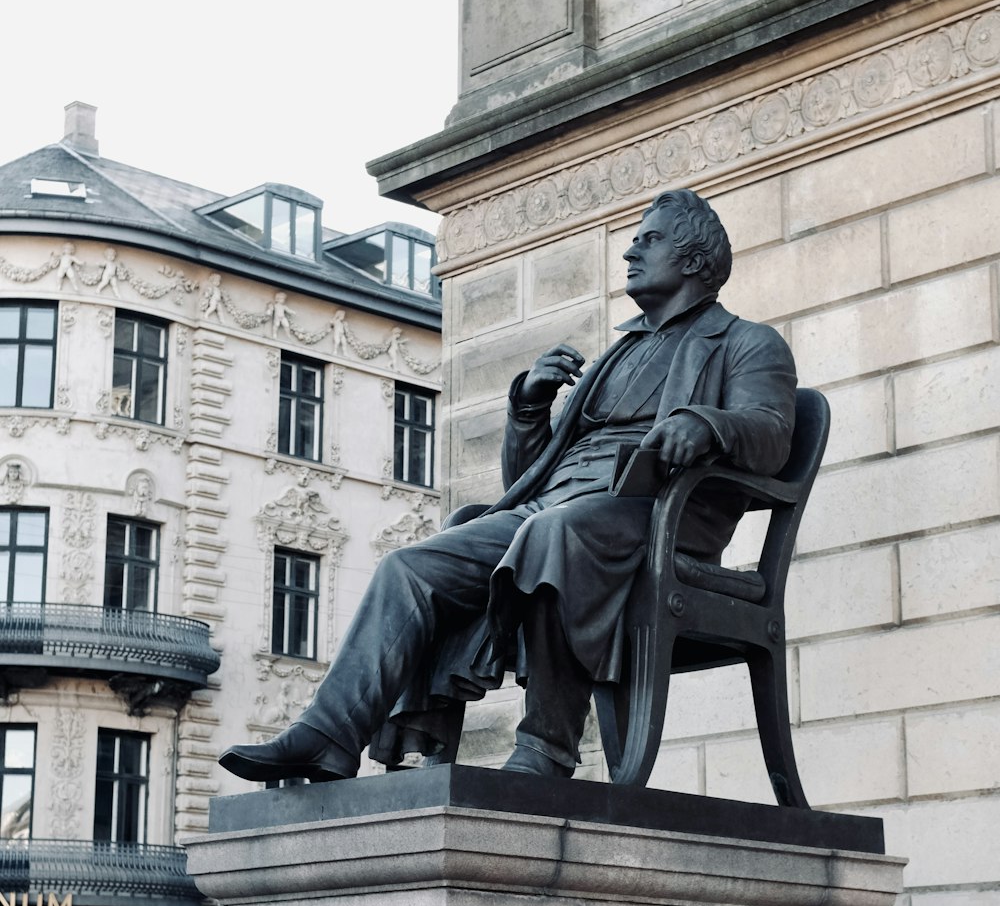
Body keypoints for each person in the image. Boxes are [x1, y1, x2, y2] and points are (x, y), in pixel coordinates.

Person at [220, 189, 797, 785]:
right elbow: (526, 478)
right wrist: (529, 409)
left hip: (652, 519)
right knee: (409, 566)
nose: (629, 251)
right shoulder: (616, 355)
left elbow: (774, 434)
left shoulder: (745, 343)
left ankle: (547, 747)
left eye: (649, 240)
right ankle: (328, 736)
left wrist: (705, 423)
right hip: (553, 511)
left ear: (695, 260)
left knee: (555, 532)